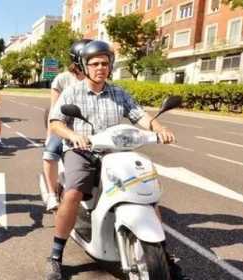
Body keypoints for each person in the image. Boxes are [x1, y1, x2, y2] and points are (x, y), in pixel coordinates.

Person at [45, 40, 182, 279]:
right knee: (73, 193)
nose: (101, 68)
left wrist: (159, 128)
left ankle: (161, 251)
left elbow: (139, 115)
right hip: (83, 151)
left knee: (145, 192)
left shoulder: (118, 92)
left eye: (105, 64)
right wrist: (74, 135)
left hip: (116, 152)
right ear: (84, 66)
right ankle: (56, 254)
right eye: (95, 64)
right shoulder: (72, 91)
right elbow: (56, 123)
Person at [43, 39, 91, 212]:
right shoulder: (62, 79)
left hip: (91, 129)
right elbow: (54, 110)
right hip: (65, 128)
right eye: (88, 58)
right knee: (50, 153)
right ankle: (51, 194)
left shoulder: (95, 77)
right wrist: (51, 134)